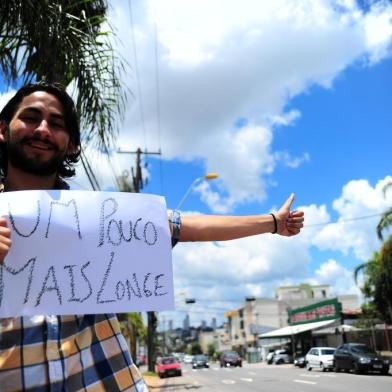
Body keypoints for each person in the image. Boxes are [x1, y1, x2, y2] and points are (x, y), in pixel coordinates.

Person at [0, 82, 304, 391]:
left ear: (71, 145)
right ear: (2, 129)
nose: (42, 129)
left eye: (56, 123)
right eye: (31, 117)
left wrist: (272, 223)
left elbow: (186, 226)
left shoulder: (97, 218)